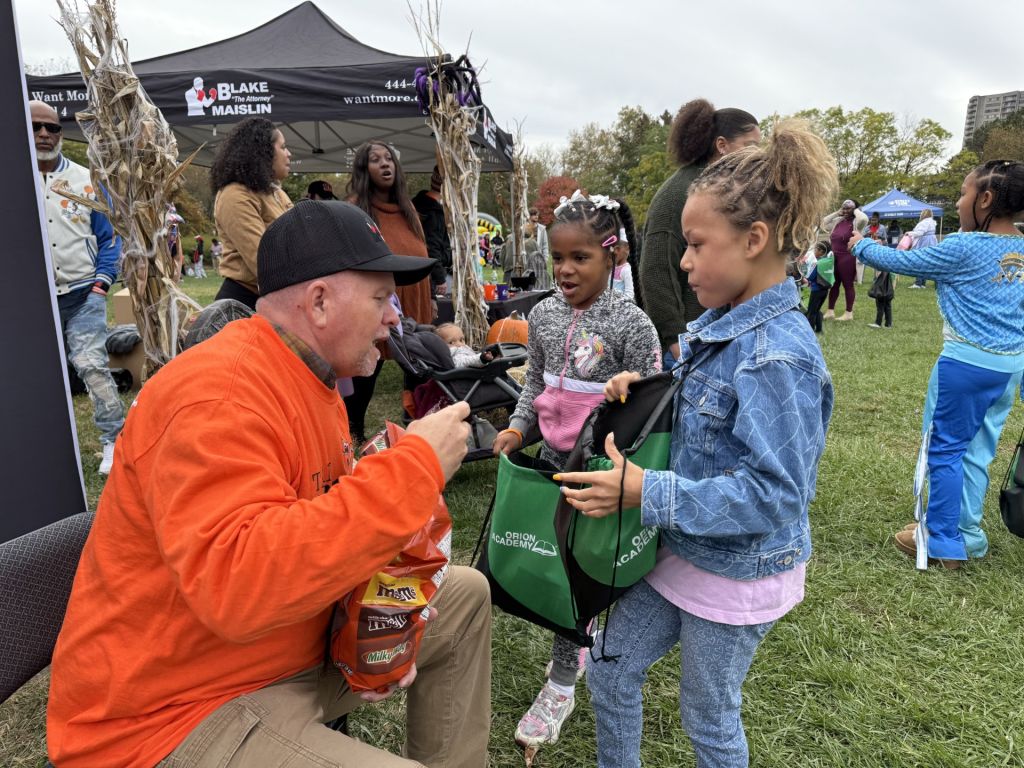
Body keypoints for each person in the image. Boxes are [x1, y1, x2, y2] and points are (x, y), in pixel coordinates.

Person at [47, 200, 492, 768]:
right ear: (320, 301)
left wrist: (382, 631)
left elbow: (307, 532)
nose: (394, 319)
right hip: (172, 715)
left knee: (466, 598)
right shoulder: (218, 396)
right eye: (381, 298)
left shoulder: (310, 376)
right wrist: (415, 468)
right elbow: (239, 587)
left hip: (279, 655)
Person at [552, 121, 837, 768]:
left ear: (755, 240)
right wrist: (649, 386)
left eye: (696, 245)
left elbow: (774, 497)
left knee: (707, 717)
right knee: (611, 667)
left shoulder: (777, 360)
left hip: (734, 573)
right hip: (678, 550)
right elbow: (703, 406)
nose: (682, 263)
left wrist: (643, 491)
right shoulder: (720, 327)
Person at [492, 190, 662, 750]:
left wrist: (630, 387)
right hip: (548, 466)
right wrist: (520, 428)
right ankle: (576, 650)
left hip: (598, 477)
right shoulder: (540, 315)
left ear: (612, 256)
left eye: (580, 258)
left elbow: (656, 402)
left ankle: (562, 682)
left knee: (576, 580)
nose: (564, 269)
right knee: (552, 565)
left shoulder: (632, 324)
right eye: (557, 257)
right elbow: (537, 387)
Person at [850, 160, 1024, 569]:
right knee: (979, 450)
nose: (959, 203)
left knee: (944, 450)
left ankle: (944, 542)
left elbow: (901, 263)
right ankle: (968, 532)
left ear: (985, 199)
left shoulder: (964, 246)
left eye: (963, 194)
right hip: (1010, 366)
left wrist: (859, 243)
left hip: (964, 365)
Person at [29, 99, 124, 476]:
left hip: (85, 293)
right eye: (35, 126)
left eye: (51, 127)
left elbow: (109, 237)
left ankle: (113, 441)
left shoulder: (86, 181)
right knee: (35, 374)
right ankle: (39, 443)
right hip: (34, 302)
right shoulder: (14, 180)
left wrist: (102, 283)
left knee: (92, 367)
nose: (43, 133)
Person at [639, 98, 761, 364]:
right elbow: (655, 271)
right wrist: (675, 342)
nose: (758, 156)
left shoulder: (728, 192)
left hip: (720, 337)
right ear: (722, 145)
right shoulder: (677, 195)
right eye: (750, 147)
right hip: (688, 346)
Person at [344, 141, 433, 442]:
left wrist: (430, 296)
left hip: (414, 297)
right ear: (363, 169)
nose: (385, 164)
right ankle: (351, 429)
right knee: (368, 367)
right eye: (375, 160)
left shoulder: (408, 210)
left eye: (389, 159)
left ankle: (415, 427)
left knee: (416, 366)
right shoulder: (356, 210)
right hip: (380, 302)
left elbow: (423, 253)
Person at [211, 117, 294, 309]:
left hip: (272, 299)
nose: (289, 154)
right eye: (283, 147)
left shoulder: (276, 192)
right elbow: (264, 262)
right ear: (263, 152)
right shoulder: (234, 195)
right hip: (243, 302)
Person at [821, 199, 868, 320]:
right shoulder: (839, 221)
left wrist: (856, 209)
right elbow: (823, 223)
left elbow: (863, 219)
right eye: (844, 208)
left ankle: (848, 313)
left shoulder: (857, 223)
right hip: (834, 257)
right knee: (834, 285)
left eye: (849, 208)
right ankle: (830, 311)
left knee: (848, 285)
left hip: (848, 257)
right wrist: (838, 212)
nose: (846, 210)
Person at [412, 165, 453, 295]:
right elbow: (431, 247)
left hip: (425, 272)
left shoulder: (418, 206)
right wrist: (440, 277)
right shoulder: (432, 212)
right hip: (432, 277)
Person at [805, 241, 834, 334]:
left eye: (815, 249)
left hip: (816, 290)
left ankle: (810, 331)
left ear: (821, 251)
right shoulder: (829, 262)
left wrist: (805, 277)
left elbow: (810, 276)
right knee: (817, 310)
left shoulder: (818, 263)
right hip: (825, 290)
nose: (814, 251)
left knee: (811, 311)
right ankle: (819, 329)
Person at [907, 208, 939, 288]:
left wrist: (909, 233)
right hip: (931, 241)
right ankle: (922, 283)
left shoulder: (925, 222)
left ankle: (918, 283)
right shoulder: (932, 222)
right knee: (926, 263)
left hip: (924, 242)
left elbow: (920, 232)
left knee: (919, 262)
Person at [861, 212, 888, 284]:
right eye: (872, 220)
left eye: (875, 220)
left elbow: (885, 239)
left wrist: (878, 236)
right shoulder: (867, 228)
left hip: (879, 247)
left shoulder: (882, 228)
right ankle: (861, 279)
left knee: (878, 263)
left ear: (878, 220)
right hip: (868, 247)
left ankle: (877, 278)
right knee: (867, 263)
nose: (873, 221)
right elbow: (862, 237)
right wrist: (867, 234)